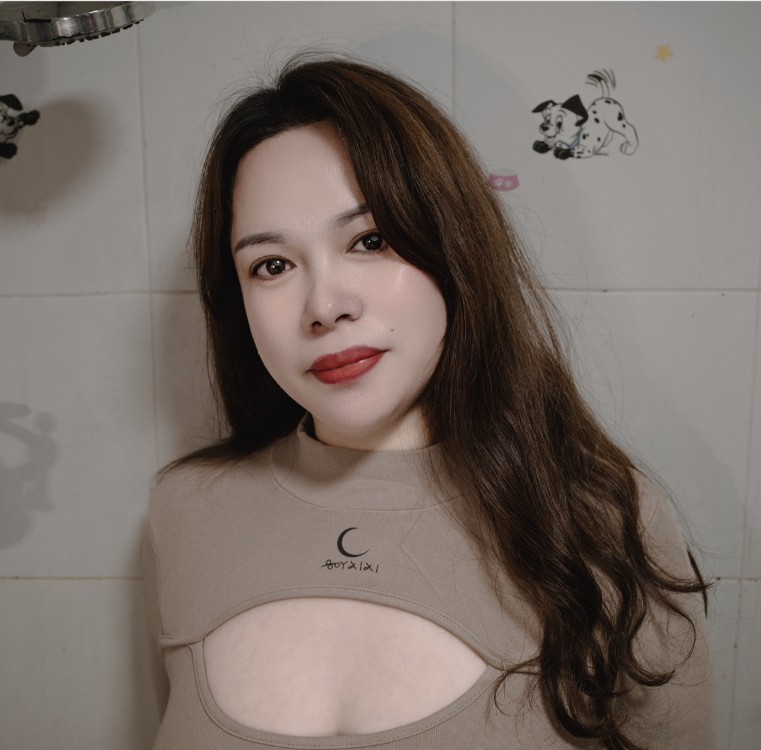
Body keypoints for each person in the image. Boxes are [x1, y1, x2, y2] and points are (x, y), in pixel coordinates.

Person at [143, 55, 717, 750]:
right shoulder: (185, 511)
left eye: (370, 240)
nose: (324, 305)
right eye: (272, 265)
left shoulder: (603, 519)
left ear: (452, 248)